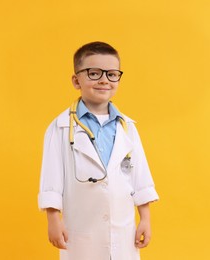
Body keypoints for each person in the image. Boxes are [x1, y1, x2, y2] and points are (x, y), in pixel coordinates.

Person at [38, 41, 159, 260]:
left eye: (112, 74)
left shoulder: (127, 127)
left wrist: (145, 219)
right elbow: (51, 179)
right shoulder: (60, 127)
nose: (104, 80)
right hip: (82, 229)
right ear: (76, 80)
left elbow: (140, 177)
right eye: (94, 73)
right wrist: (53, 220)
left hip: (123, 230)